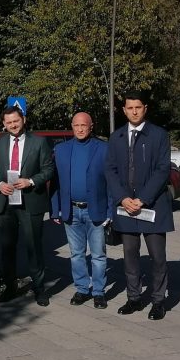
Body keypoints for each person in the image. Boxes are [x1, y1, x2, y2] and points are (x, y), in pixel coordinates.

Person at [105, 91, 173, 320]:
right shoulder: (116, 137)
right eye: (130, 108)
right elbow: (110, 170)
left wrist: (143, 198)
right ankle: (134, 298)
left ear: (145, 108)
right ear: (124, 110)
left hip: (152, 206)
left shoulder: (159, 135)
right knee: (130, 256)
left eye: (138, 107)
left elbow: (162, 169)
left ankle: (158, 301)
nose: (134, 111)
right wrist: (122, 198)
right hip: (126, 207)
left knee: (157, 256)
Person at [0, 105, 55, 306]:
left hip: (30, 201)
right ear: (4, 124)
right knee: (7, 247)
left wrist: (31, 181)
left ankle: (39, 288)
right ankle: (10, 287)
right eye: (9, 122)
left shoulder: (39, 142)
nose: (13, 125)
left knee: (33, 247)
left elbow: (49, 169)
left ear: (23, 120)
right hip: (5, 201)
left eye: (16, 121)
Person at [50, 112, 111, 309]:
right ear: (72, 126)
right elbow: (55, 182)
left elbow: (111, 182)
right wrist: (55, 209)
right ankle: (82, 289)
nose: (80, 129)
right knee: (76, 254)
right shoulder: (61, 150)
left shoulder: (103, 148)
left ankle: (99, 292)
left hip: (96, 210)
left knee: (98, 255)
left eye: (84, 125)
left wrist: (110, 212)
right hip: (71, 210)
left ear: (91, 127)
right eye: (76, 125)